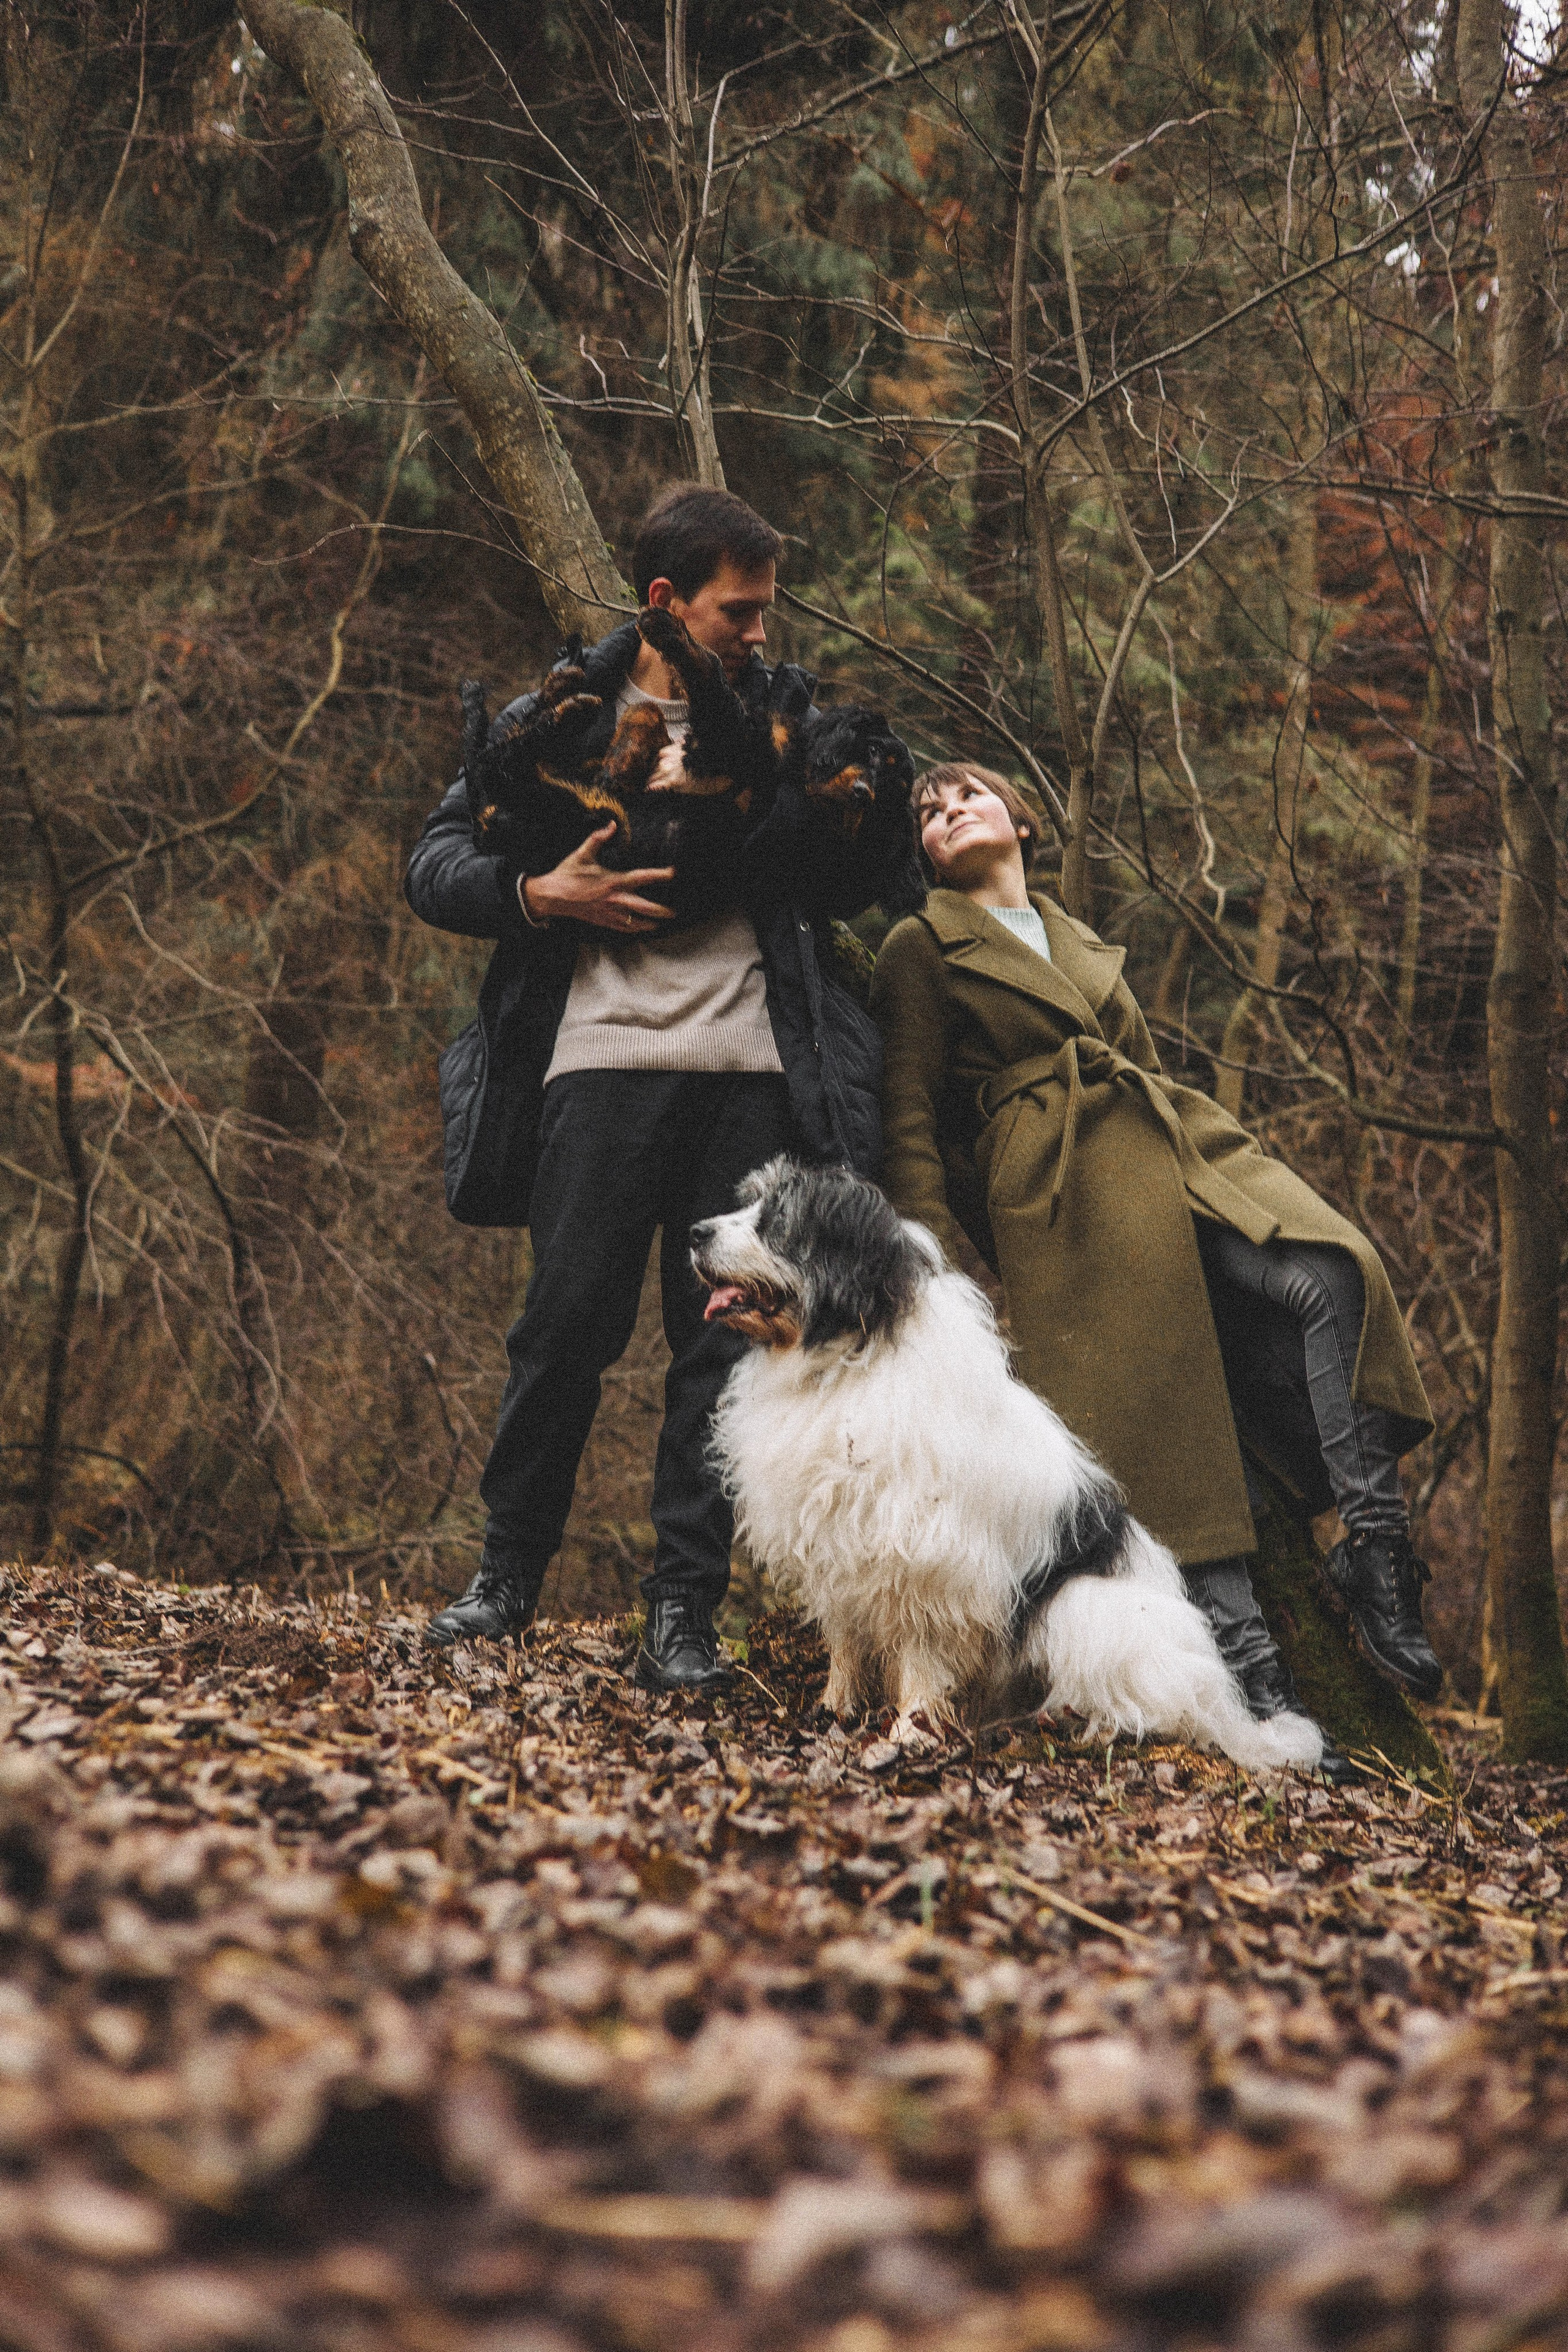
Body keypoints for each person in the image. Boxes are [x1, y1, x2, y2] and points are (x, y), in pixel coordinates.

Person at [406, 486, 911, 1688]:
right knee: (562, 1334)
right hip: (596, 1071)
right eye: (739, 612)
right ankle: (503, 1582)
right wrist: (539, 897)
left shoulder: (785, 718)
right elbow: (432, 863)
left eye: (765, 612)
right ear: (665, 602)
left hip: (750, 1080)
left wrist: (849, 821)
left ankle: (682, 1615)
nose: (758, 632)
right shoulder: (556, 722)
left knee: (717, 1359)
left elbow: (849, 884)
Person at [869, 761, 1442, 1763]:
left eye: (966, 794)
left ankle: (1376, 1552)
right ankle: (1260, 1696)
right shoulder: (920, 946)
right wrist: (934, 1267)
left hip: (1169, 1138)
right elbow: (909, 1115)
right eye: (926, 812)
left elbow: (1137, 1062)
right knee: (1166, 1435)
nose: (946, 811)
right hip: (1068, 1186)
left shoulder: (1084, 942)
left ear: (1021, 820)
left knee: (1333, 1271)